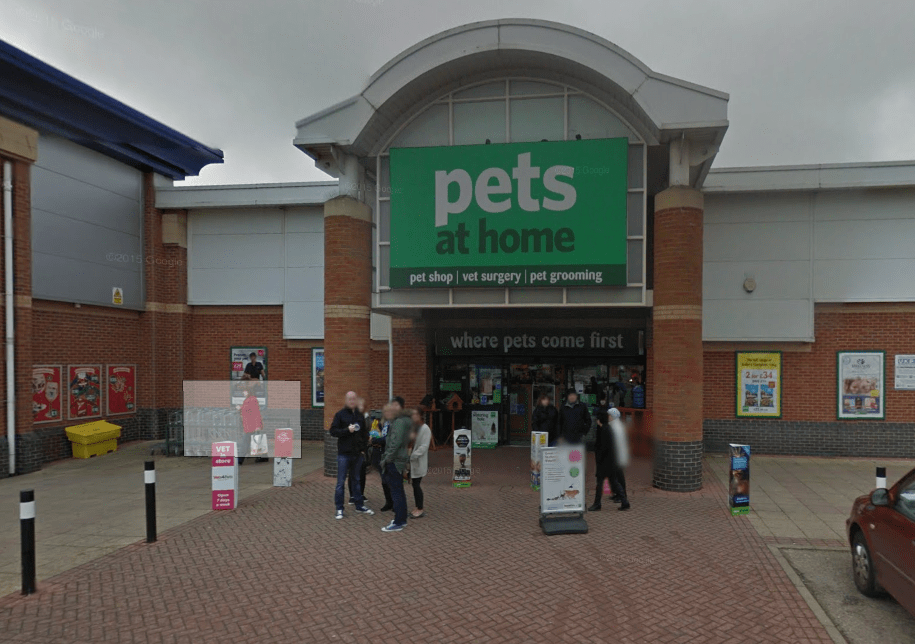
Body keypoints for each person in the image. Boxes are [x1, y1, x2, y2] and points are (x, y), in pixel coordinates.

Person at [329, 391, 373, 519]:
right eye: (349, 399)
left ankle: (359, 505)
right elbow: (333, 431)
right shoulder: (340, 415)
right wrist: (346, 430)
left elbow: (364, 433)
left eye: (354, 398)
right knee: (340, 482)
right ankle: (339, 509)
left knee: (357, 481)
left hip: (357, 454)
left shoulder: (359, 415)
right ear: (345, 400)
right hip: (344, 454)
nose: (352, 401)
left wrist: (364, 449)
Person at [379, 398, 411, 532]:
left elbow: (395, 443)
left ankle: (398, 522)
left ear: (402, 407)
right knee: (399, 491)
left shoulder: (399, 422)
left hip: (395, 461)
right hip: (399, 459)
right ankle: (401, 518)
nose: (393, 408)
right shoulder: (403, 420)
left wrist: (386, 459)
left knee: (396, 492)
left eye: (396, 405)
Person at [408, 408, 432, 519]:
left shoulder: (425, 429)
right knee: (414, 484)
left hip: (418, 461)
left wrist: (412, 456)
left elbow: (424, 447)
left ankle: (420, 509)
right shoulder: (415, 427)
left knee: (416, 485)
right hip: (413, 461)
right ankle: (417, 506)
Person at [349, 396, 371, 505]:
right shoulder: (352, 417)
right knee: (353, 472)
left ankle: (361, 493)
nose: (361, 407)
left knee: (362, 472)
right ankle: (352, 495)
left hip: (363, 447)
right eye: (360, 405)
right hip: (355, 449)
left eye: (363, 405)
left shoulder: (366, 417)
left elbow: (366, 431)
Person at [236, 385, 267, 465]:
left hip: (252, 426)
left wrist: (257, 426)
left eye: (244, 391)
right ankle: (263, 457)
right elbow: (247, 410)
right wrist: (240, 408)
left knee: (245, 443)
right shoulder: (249, 400)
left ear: (248, 391)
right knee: (257, 441)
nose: (243, 393)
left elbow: (256, 413)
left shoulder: (252, 400)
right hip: (249, 425)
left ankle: (240, 459)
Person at [608, 407, 631, 510]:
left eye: (609, 415)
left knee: (618, 476)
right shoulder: (615, 425)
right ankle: (617, 494)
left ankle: (622, 495)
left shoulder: (615, 427)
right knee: (615, 476)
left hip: (617, 456)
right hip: (616, 456)